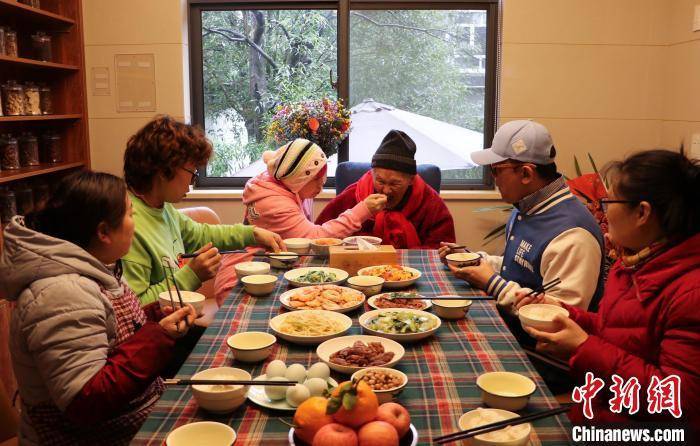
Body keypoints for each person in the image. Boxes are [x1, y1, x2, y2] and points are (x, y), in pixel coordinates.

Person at [0, 171, 197, 445]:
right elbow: (86, 401)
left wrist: (152, 318)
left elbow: (106, 335)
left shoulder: (99, 266)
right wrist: (156, 337)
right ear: (103, 232)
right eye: (130, 214)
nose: (135, 224)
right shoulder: (60, 294)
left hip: (131, 421)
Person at [516, 149, 700, 428]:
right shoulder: (633, 262)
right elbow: (618, 331)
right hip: (597, 411)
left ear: (642, 213)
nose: (600, 209)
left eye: (608, 201)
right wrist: (566, 315)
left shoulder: (691, 293)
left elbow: (678, 401)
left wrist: (582, 346)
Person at [440, 120, 605, 315]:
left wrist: (492, 283)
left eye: (496, 170)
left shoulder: (573, 236)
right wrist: (473, 260)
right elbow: (519, 268)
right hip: (512, 323)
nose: (494, 178)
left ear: (526, 173)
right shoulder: (527, 207)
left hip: (532, 344)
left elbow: (561, 319)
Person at [121, 115, 284, 307]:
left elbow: (200, 234)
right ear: (165, 171)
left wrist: (252, 233)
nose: (192, 182)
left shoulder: (161, 208)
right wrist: (191, 275)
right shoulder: (129, 224)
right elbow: (135, 309)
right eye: (192, 173)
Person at [214, 138, 387, 302]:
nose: (322, 186)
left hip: (267, 266)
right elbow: (314, 238)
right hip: (241, 280)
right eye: (318, 181)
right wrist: (363, 211)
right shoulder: (274, 203)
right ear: (299, 180)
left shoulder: (284, 180)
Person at [316, 129, 455, 248]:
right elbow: (320, 239)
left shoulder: (430, 203)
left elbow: (442, 248)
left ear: (411, 180)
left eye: (395, 184)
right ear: (372, 174)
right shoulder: (353, 195)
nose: (386, 190)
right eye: (380, 181)